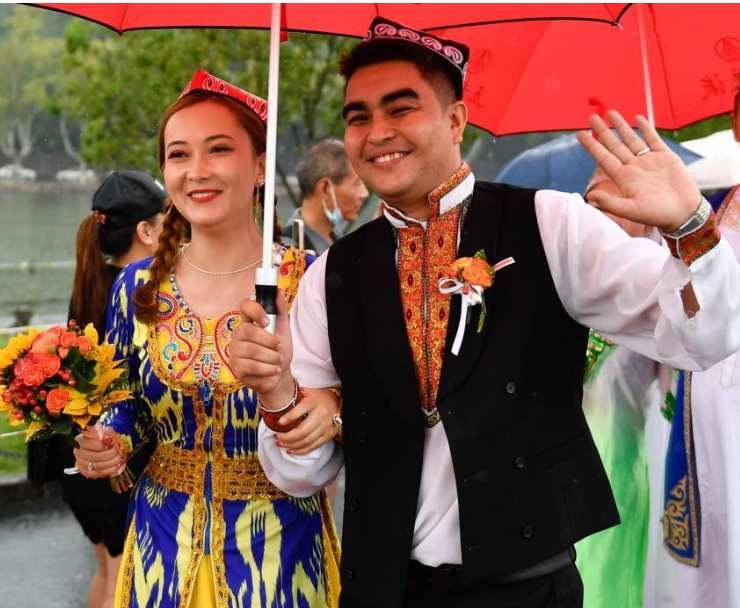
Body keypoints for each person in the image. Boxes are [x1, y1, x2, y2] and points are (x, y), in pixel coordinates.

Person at [231, 18, 740, 608]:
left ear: (455, 120)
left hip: (528, 589)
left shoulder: (550, 223)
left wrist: (688, 225)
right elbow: (302, 473)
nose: (377, 133)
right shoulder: (331, 274)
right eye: (358, 117)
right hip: (384, 588)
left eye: (401, 109)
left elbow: (703, 338)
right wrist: (277, 394)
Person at [72, 69, 340, 608]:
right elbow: (129, 403)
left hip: (281, 556)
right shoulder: (136, 287)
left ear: (260, 165)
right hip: (161, 553)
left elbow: (366, 401)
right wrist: (109, 441)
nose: (197, 171)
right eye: (178, 155)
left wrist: (335, 407)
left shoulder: (313, 279)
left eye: (219, 149)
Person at [652, 92, 740, 608]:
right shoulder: (704, 212)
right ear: (736, 120)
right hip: (705, 404)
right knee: (715, 544)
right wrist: (673, 243)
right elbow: (682, 311)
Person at [63, 170, 166, 608]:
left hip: (83, 453)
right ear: (145, 231)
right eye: (168, 221)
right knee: (124, 580)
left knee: (106, 573)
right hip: (122, 459)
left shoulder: (89, 283)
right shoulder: (139, 293)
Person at [575, 170, 669, 608]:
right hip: (549, 463)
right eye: (594, 204)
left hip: (618, 461)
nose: (603, 215)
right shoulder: (565, 273)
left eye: (618, 204)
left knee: (605, 579)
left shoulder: (663, 285)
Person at [282, 139, 369, 255]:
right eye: (357, 184)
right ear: (325, 188)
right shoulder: (288, 251)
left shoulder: (336, 237)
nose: (365, 194)